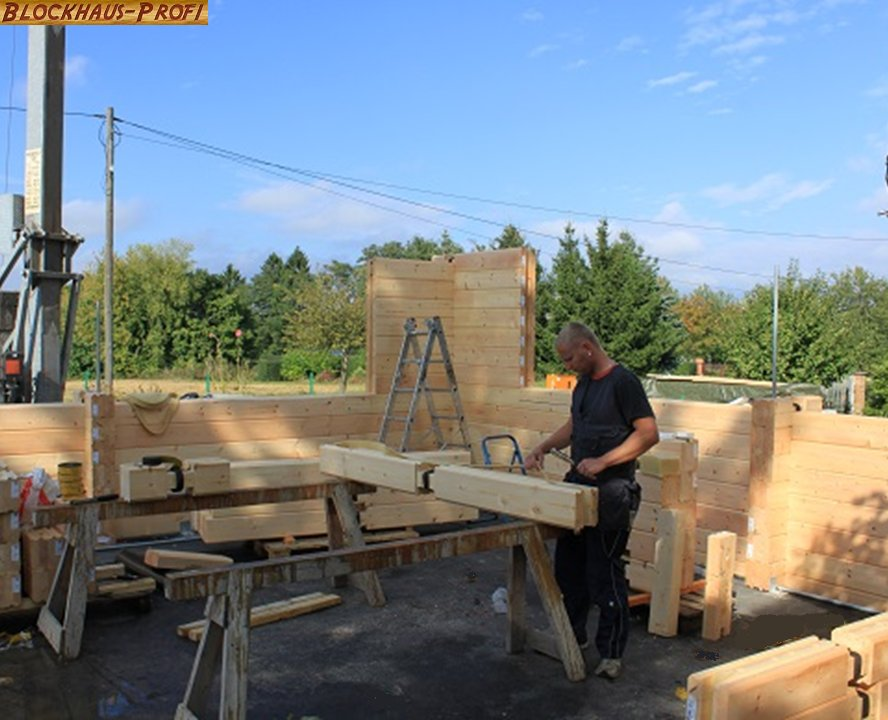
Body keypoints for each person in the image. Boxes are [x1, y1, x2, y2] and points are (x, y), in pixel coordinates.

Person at [525, 321, 658, 680]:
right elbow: (574, 427)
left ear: (587, 348)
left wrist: (604, 461)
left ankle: (611, 654)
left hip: (612, 493)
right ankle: (574, 637)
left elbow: (649, 434)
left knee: (604, 575)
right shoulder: (583, 385)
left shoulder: (623, 382)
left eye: (569, 358)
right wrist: (543, 446)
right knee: (569, 571)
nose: (567, 366)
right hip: (577, 489)